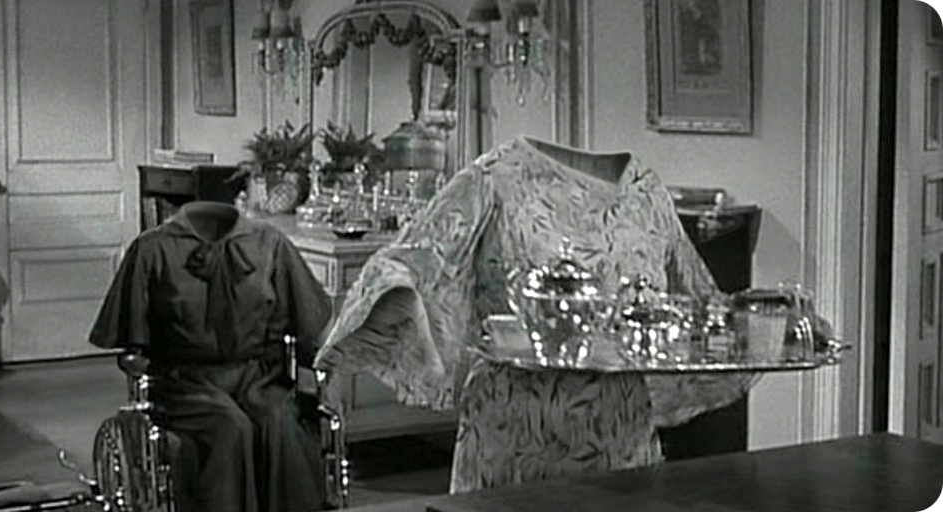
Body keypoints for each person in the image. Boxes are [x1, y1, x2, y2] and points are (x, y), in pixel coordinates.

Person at [315, 135, 761, 492]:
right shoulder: (496, 178)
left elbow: (696, 305)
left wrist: (765, 322)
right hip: (513, 435)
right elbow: (413, 260)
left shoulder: (646, 192)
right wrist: (368, 328)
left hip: (619, 435)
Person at [89, 201, 332, 512]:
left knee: (280, 422)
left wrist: (324, 364)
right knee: (230, 428)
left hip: (259, 377)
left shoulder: (270, 243)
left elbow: (311, 321)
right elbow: (130, 339)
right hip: (185, 381)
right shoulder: (152, 248)